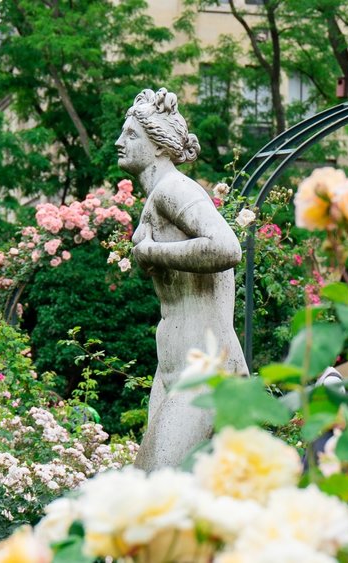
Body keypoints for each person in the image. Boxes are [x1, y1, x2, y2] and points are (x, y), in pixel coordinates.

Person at [115, 88, 247, 470]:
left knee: (157, 491)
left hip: (205, 367)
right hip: (173, 368)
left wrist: (152, 253)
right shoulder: (155, 199)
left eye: (131, 135)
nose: (119, 142)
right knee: (155, 496)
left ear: (159, 146)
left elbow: (227, 248)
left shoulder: (175, 189)